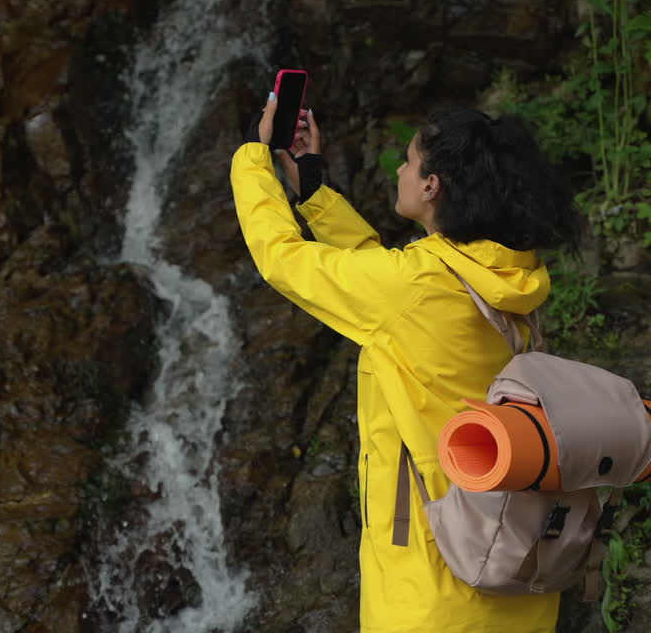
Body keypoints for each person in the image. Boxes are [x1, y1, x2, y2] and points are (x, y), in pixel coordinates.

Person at [230, 93, 581, 632]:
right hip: (513, 566)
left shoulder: (417, 288)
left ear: (431, 185)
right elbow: (385, 277)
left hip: (434, 580)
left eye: (409, 161)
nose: (399, 168)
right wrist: (316, 192)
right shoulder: (505, 277)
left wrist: (253, 156)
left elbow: (283, 259)